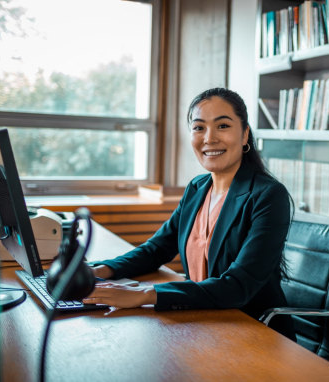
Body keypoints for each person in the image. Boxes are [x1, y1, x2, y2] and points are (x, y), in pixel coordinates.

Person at [84, 87, 295, 341]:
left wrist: (147, 295)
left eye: (223, 126)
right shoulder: (197, 187)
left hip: (251, 331)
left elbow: (238, 287)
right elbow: (156, 250)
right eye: (199, 128)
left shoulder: (269, 196)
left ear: (244, 134)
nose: (209, 138)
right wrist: (99, 271)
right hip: (204, 323)